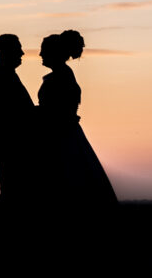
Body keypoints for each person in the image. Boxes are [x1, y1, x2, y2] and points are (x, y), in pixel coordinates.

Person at [37, 31, 117, 206]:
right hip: (64, 135)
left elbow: (55, 112)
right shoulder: (63, 75)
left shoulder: (61, 77)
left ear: (54, 53)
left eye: (43, 50)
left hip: (60, 138)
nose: (40, 54)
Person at [0, 33, 35, 203]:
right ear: (5, 51)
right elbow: (17, 114)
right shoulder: (2, 78)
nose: (22, 53)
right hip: (12, 145)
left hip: (11, 144)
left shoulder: (7, 75)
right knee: (16, 195)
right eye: (18, 48)